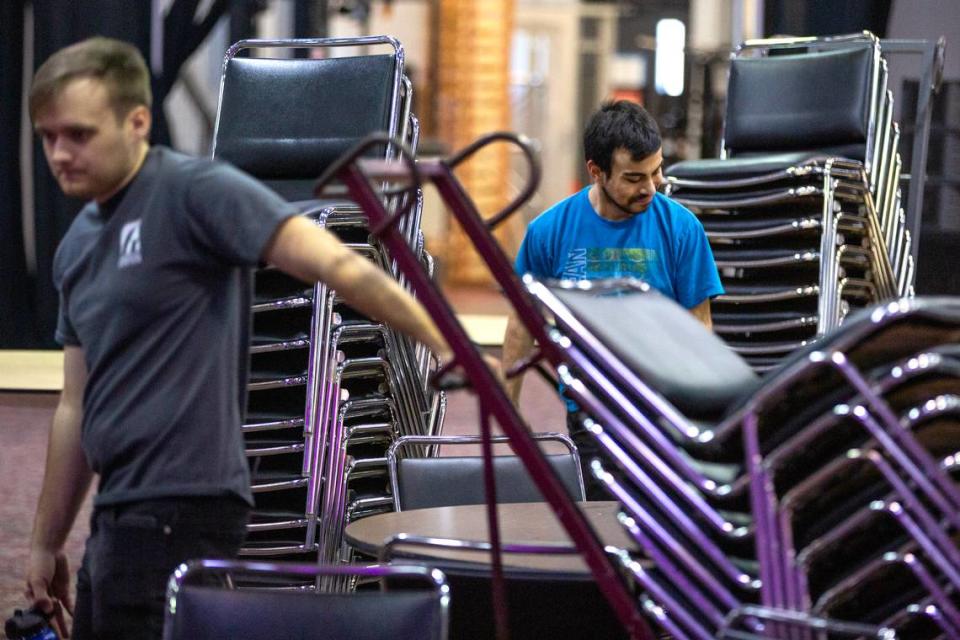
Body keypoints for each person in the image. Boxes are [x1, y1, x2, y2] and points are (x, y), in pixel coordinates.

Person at [23, 37, 452, 640]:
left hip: (183, 506)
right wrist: (45, 542)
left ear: (137, 122)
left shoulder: (195, 192)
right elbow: (75, 406)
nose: (60, 154)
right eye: (48, 138)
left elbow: (343, 265)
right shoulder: (78, 245)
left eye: (79, 134)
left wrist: (444, 340)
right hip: (117, 513)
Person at [501, 100, 723, 499]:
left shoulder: (682, 229)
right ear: (596, 172)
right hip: (591, 413)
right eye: (634, 178)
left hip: (662, 415)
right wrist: (511, 407)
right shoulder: (549, 232)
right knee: (601, 533)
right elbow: (521, 324)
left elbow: (700, 328)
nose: (650, 188)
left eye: (656, 172)